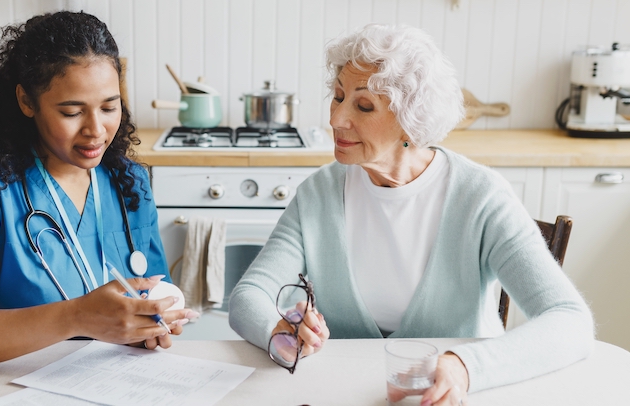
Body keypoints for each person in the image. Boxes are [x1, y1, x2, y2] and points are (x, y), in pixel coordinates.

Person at [228, 24, 593, 405]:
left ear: (410, 119)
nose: (336, 119)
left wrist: (464, 366)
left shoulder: (481, 197)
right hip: (338, 394)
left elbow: (570, 321)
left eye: (363, 105)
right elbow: (249, 296)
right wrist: (278, 330)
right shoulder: (318, 194)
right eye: (337, 97)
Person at [0, 11, 197, 368]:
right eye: (72, 112)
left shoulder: (129, 183)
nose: (96, 130)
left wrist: (152, 321)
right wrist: (78, 316)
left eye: (109, 106)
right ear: (27, 102)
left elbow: (152, 293)